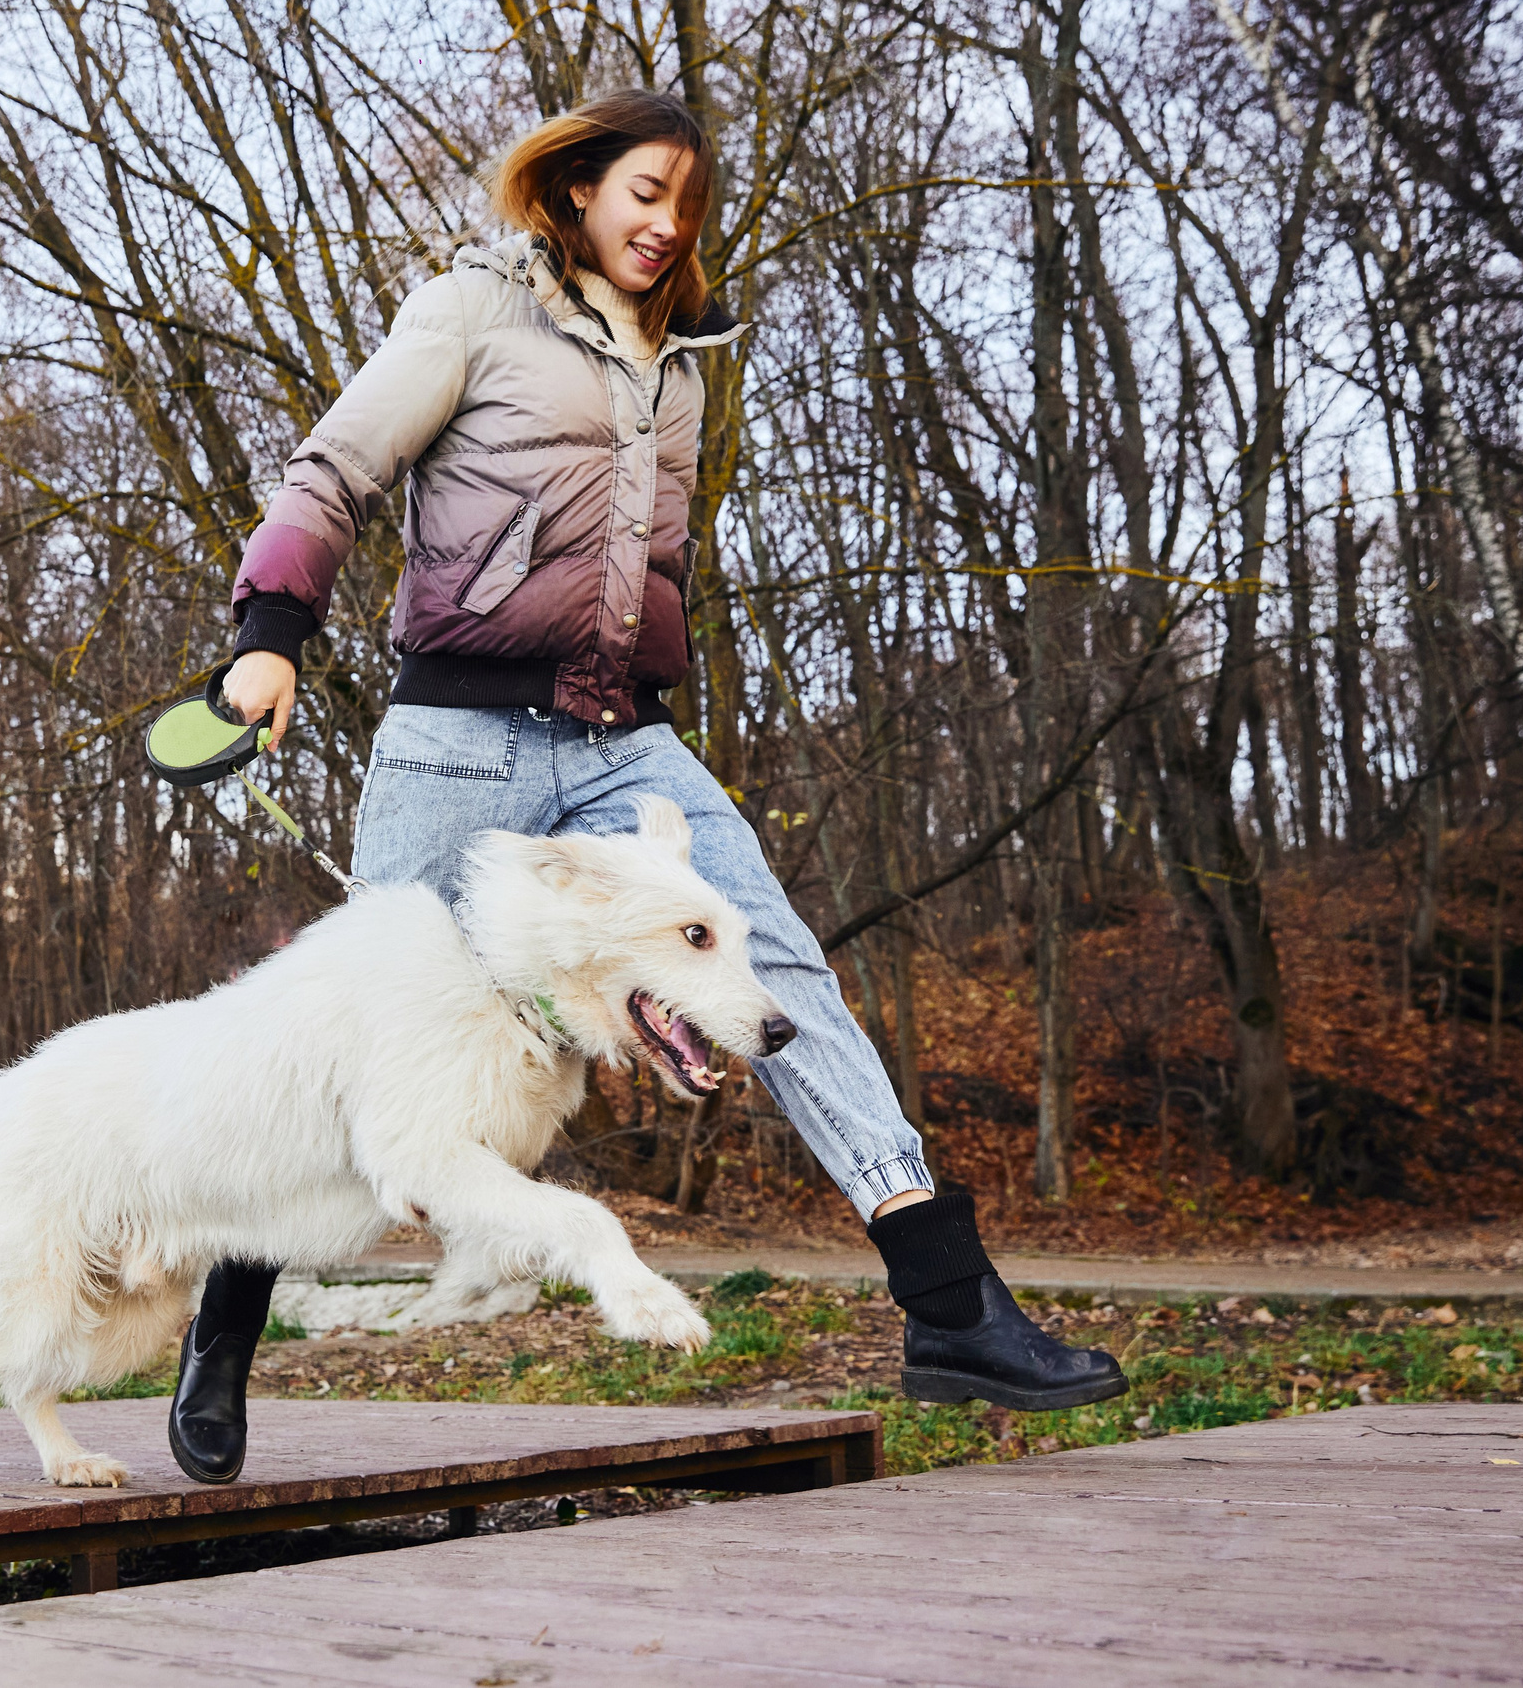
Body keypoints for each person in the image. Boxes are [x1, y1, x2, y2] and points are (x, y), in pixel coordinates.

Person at [167, 89, 1124, 1485]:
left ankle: (951, 1306)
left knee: (774, 970)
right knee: (343, 1036)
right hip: (460, 738)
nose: (669, 223)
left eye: (687, 203)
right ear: (577, 190)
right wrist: (269, 637)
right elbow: (338, 470)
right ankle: (225, 1330)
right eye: (644, 192)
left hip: (625, 742)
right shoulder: (471, 310)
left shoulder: (680, 363)